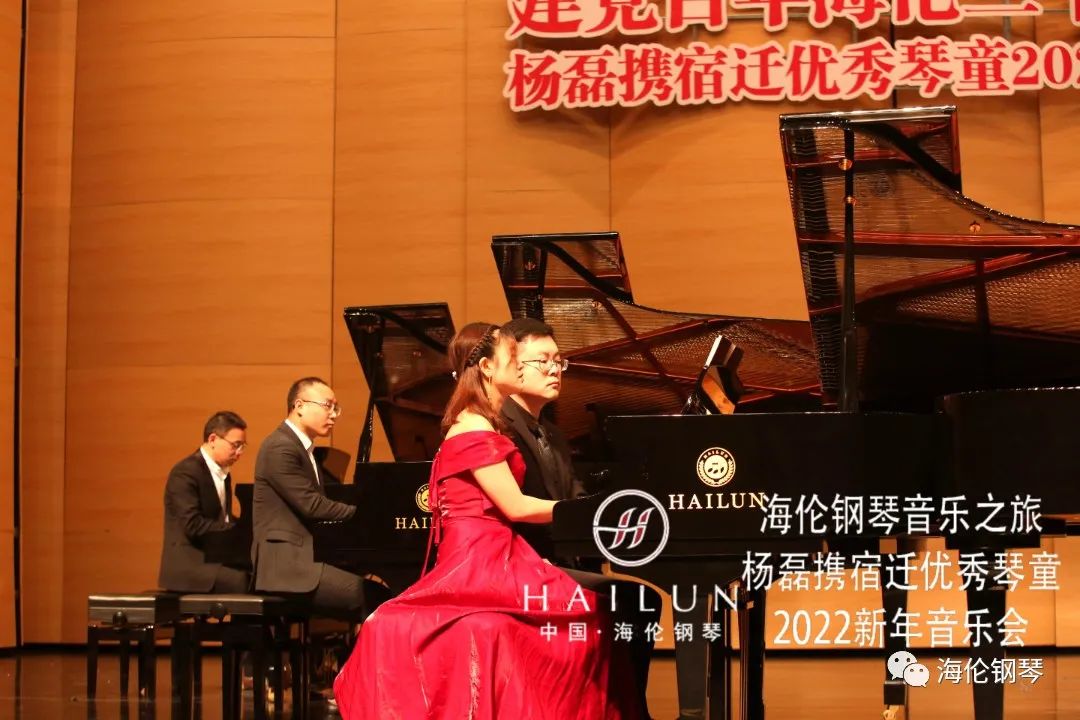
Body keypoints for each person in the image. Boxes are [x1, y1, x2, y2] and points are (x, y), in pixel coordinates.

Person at [332, 322, 639, 719]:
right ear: (488, 367)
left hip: (497, 550)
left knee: (589, 610)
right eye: (514, 358)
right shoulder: (474, 425)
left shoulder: (484, 421)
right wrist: (594, 511)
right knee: (587, 609)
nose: (524, 365)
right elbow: (516, 507)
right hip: (481, 558)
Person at [499, 317, 660, 719]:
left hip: (556, 559)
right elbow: (516, 509)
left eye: (559, 361)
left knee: (637, 600)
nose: (555, 369)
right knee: (635, 601)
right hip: (521, 564)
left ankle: (617, 708)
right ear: (511, 364)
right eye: (543, 361)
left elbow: (573, 498)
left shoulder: (553, 433)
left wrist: (625, 512)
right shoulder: (499, 426)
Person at [252, 377, 370, 615]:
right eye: (328, 406)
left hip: (305, 560)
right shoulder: (280, 447)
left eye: (336, 408)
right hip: (287, 566)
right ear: (299, 406)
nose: (334, 415)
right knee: (372, 596)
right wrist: (366, 514)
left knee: (374, 592)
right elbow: (313, 506)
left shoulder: (302, 449)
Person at [159, 410, 251, 593]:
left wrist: (247, 528)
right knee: (242, 581)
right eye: (235, 445)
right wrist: (236, 530)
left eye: (242, 446)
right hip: (190, 563)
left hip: (212, 556)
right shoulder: (185, 473)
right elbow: (193, 525)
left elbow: (221, 517)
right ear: (213, 439)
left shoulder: (223, 473)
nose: (239, 453)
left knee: (260, 573)